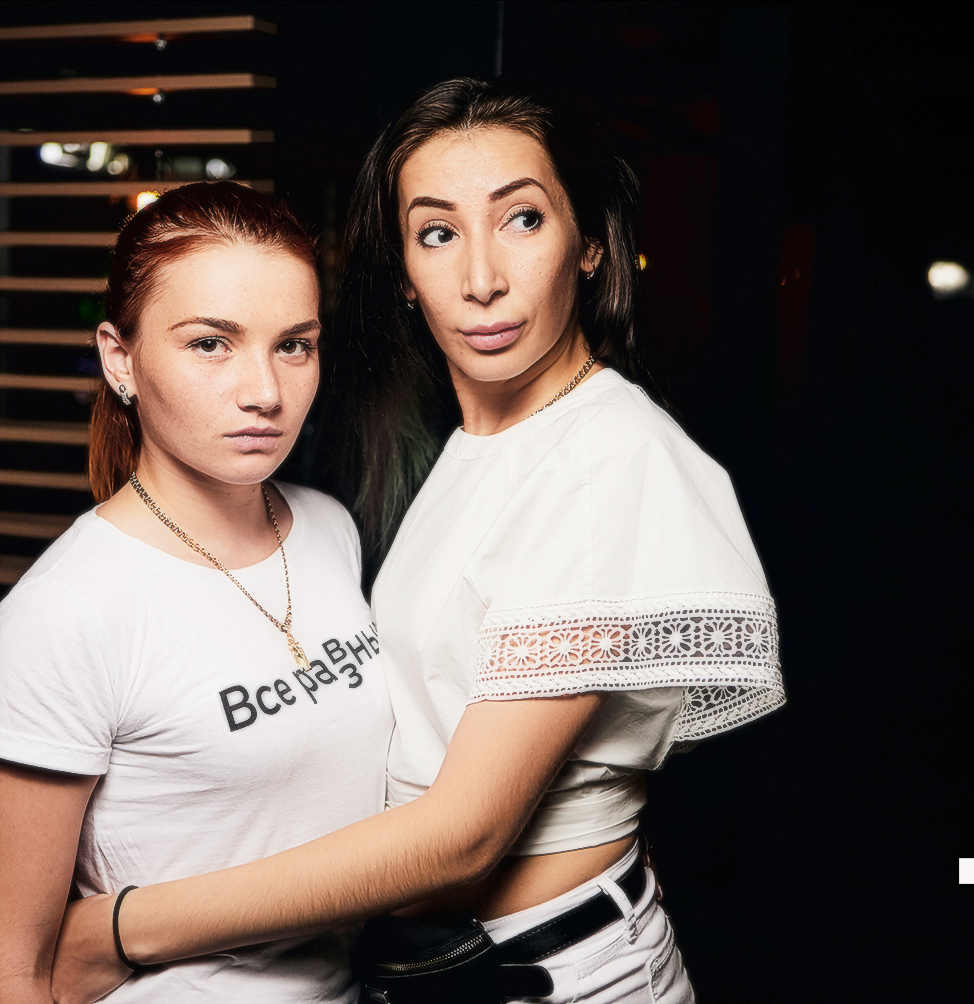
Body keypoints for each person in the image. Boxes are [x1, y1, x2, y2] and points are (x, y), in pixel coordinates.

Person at [50, 79, 785, 1004]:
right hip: (449, 970)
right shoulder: (480, 443)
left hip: (558, 973)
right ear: (403, 270)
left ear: (591, 243)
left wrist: (122, 928)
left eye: (522, 219)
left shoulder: (607, 457)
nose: (481, 278)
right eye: (437, 232)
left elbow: (464, 838)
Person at [0, 182, 393, 1004]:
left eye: (294, 345)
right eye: (211, 344)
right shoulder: (66, 611)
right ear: (120, 359)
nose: (265, 390)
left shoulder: (329, 528)